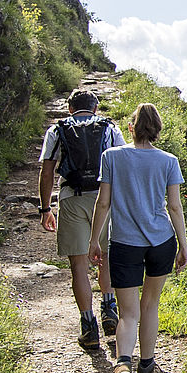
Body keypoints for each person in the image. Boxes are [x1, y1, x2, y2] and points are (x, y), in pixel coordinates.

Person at [89, 103, 187, 373]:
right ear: (158, 130)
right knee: (151, 305)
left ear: (131, 128)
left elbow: (103, 203)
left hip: (124, 244)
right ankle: (146, 371)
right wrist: (183, 244)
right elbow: (173, 207)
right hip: (161, 241)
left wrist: (94, 240)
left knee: (128, 312)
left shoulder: (112, 157)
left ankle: (122, 366)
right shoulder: (168, 162)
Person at [39, 90, 123, 347]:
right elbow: (122, 163)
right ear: (95, 108)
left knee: (79, 265)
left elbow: (47, 170)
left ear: (69, 107)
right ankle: (109, 309)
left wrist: (45, 209)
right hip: (104, 199)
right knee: (106, 257)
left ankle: (88, 328)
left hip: (71, 197)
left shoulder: (57, 130)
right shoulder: (110, 128)